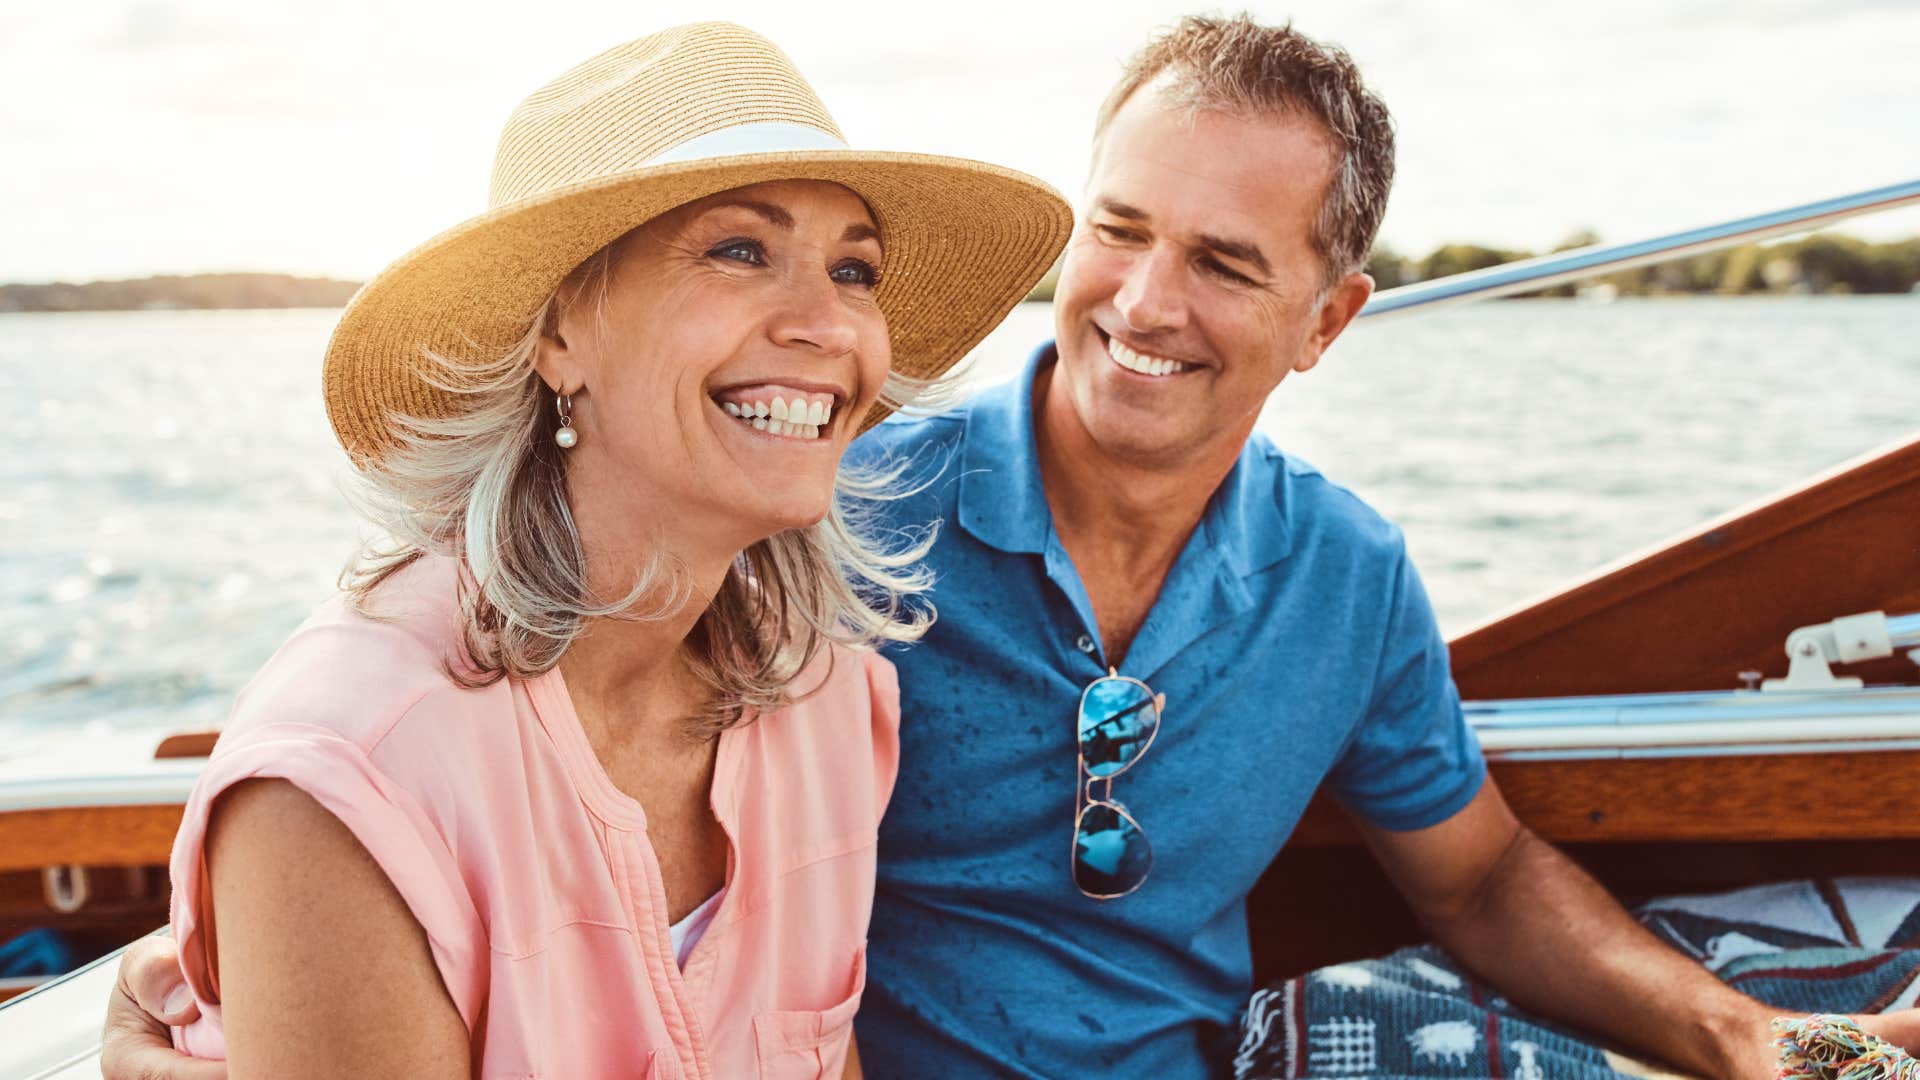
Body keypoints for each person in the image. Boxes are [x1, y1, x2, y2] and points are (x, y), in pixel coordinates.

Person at [101, 13, 1920, 1080]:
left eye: (1225, 261)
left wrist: (1752, 1040)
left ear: (1330, 320)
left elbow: (1487, 878)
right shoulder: (827, 528)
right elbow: (438, 691)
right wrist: (239, 973)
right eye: (1119, 230)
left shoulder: (834, 643)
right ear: (553, 331)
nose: (1142, 301)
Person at [99, 21, 1068, 1080]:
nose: (830, 324)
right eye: (740, 249)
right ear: (559, 334)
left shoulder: (830, 703)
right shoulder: (352, 771)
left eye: (854, 269)